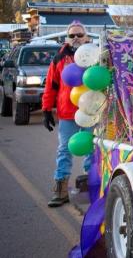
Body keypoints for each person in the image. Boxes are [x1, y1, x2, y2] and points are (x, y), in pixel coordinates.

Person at [42, 21, 94, 207]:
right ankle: (60, 190)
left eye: (79, 35)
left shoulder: (97, 56)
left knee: (92, 150)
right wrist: (47, 109)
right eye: (72, 35)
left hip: (90, 111)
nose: (76, 39)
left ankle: (92, 187)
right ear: (67, 38)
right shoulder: (59, 58)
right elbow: (51, 85)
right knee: (64, 150)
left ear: (86, 37)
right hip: (67, 113)